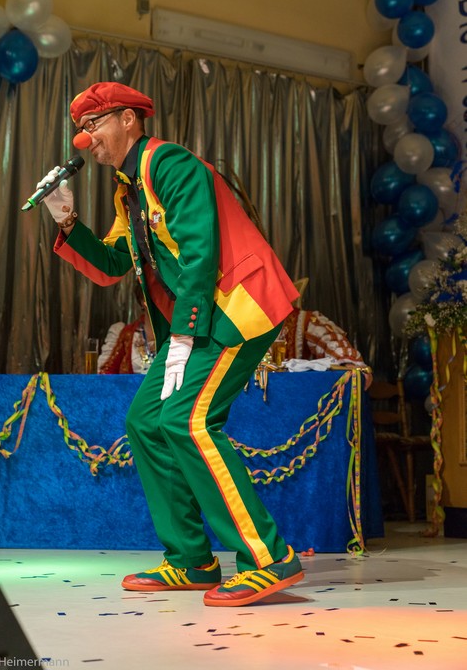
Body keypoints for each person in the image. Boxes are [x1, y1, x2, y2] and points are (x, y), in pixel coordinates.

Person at [38, 81, 304, 607]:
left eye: (93, 125)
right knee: (146, 422)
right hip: (200, 320)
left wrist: (183, 333)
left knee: (189, 421)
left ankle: (268, 559)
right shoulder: (128, 190)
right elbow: (113, 264)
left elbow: (201, 252)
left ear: (128, 119)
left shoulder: (170, 164)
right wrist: (67, 219)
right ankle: (190, 560)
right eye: (81, 129)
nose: (85, 139)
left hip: (234, 308)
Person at [98, 285, 156, 374]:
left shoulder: (175, 333)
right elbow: (108, 370)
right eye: (152, 296)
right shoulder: (129, 333)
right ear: (141, 300)